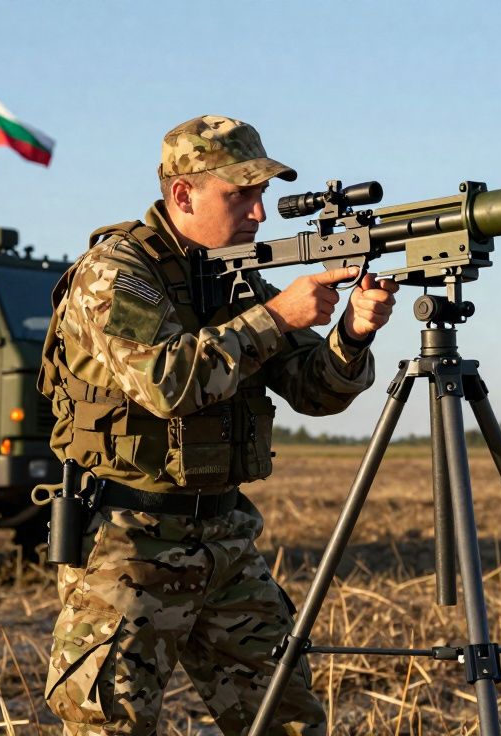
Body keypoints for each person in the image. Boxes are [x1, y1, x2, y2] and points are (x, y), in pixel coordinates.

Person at [38, 115, 399, 735]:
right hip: (132, 546)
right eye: (242, 195)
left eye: (262, 195)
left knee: (288, 719)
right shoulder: (118, 271)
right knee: (111, 726)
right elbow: (165, 384)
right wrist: (277, 316)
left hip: (226, 540)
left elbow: (313, 391)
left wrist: (352, 334)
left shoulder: (235, 276)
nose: (260, 213)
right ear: (183, 194)